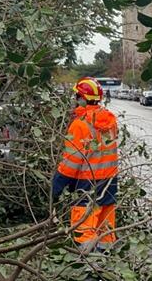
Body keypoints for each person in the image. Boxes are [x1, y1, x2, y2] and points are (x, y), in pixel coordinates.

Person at [52, 77, 119, 252]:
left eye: (76, 95)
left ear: (82, 98)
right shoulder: (110, 121)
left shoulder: (80, 125)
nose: (75, 99)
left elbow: (72, 162)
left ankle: (88, 267)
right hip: (110, 181)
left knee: (85, 229)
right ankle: (107, 263)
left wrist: (57, 186)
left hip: (87, 184)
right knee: (106, 227)